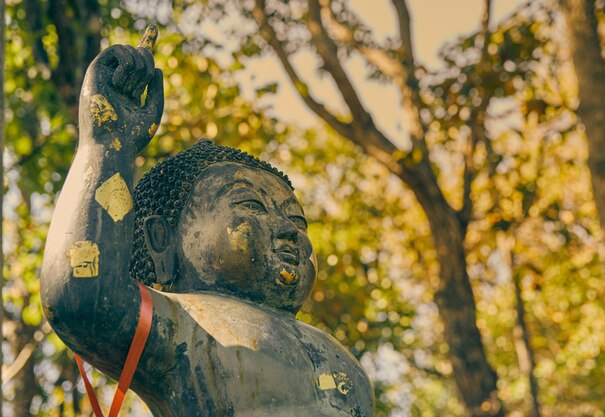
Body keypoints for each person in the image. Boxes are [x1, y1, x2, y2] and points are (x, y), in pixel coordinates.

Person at [40, 26, 374, 417]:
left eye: (296, 219)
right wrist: (106, 144)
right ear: (162, 241)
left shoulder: (342, 360)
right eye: (251, 205)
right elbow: (82, 296)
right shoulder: (181, 322)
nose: (288, 230)